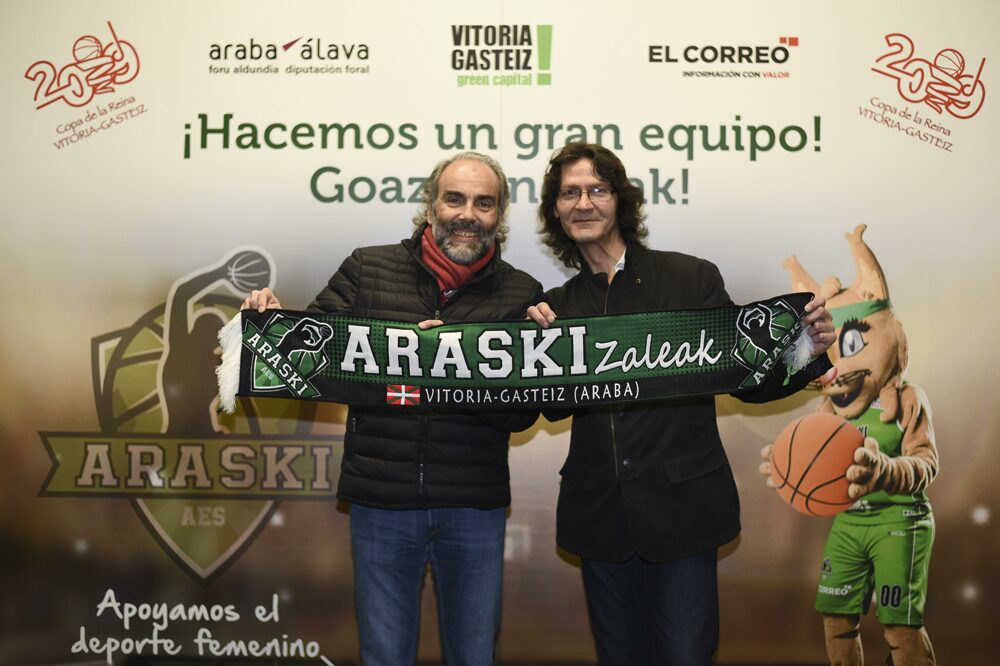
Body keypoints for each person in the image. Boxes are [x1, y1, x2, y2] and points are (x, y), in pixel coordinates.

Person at [527, 141, 837, 665]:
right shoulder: (555, 307)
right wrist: (539, 353)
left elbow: (744, 378)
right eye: (570, 193)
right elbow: (552, 408)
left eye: (597, 190)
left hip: (684, 515)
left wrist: (806, 346)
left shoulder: (690, 278)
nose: (583, 203)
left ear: (619, 201)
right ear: (555, 211)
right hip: (599, 520)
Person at [243, 152, 543, 666]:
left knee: (474, 656)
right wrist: (270, 331)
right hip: (380, 504)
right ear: (431, 207)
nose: (468, 213)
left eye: (484, 203)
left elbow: (521, 416)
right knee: (384, 656)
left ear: (500, 216)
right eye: (455, 199)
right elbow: (315, 364)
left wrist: (463, 365)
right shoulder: (366, 268)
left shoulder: (523, 295)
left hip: (473, 507)